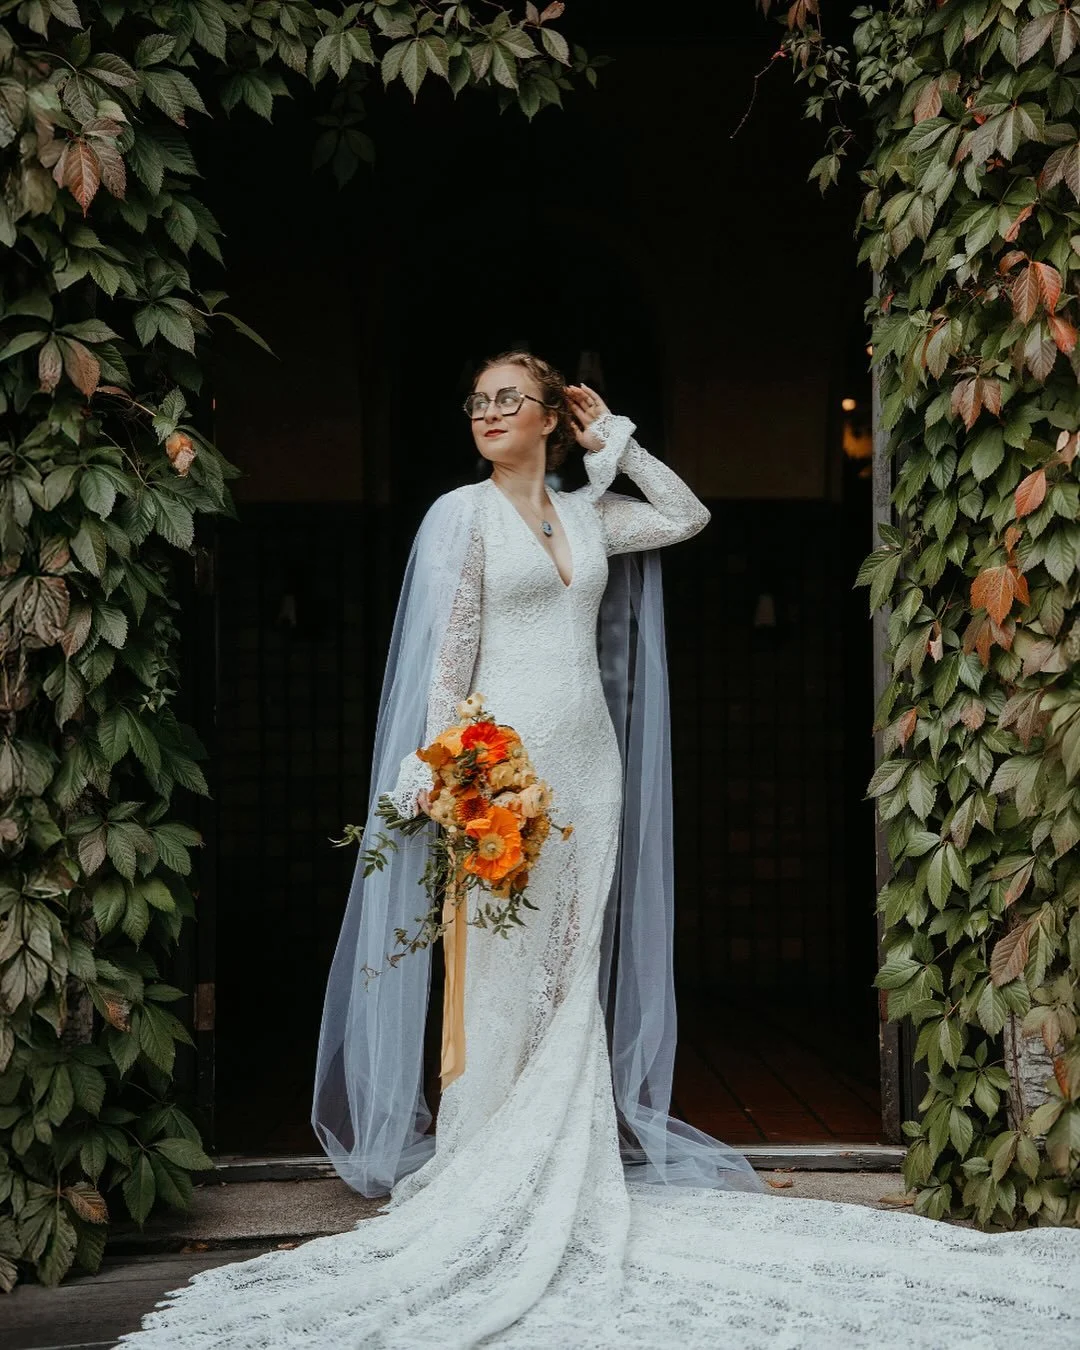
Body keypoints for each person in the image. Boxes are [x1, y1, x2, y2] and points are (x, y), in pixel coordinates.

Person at [119, 353, 1079, 1349]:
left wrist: (612, 436)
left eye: (509, 400)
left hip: (589, 770)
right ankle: (491, 1161)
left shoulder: (586, 513)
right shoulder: (462, 516)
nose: (489, 413)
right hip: (500, 764)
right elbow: (450, 659)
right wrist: (450, 776)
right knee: (498, 966)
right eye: (479, 400)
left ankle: (566, 1166)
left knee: (568, 967)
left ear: (546, 417)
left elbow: (686, 514)